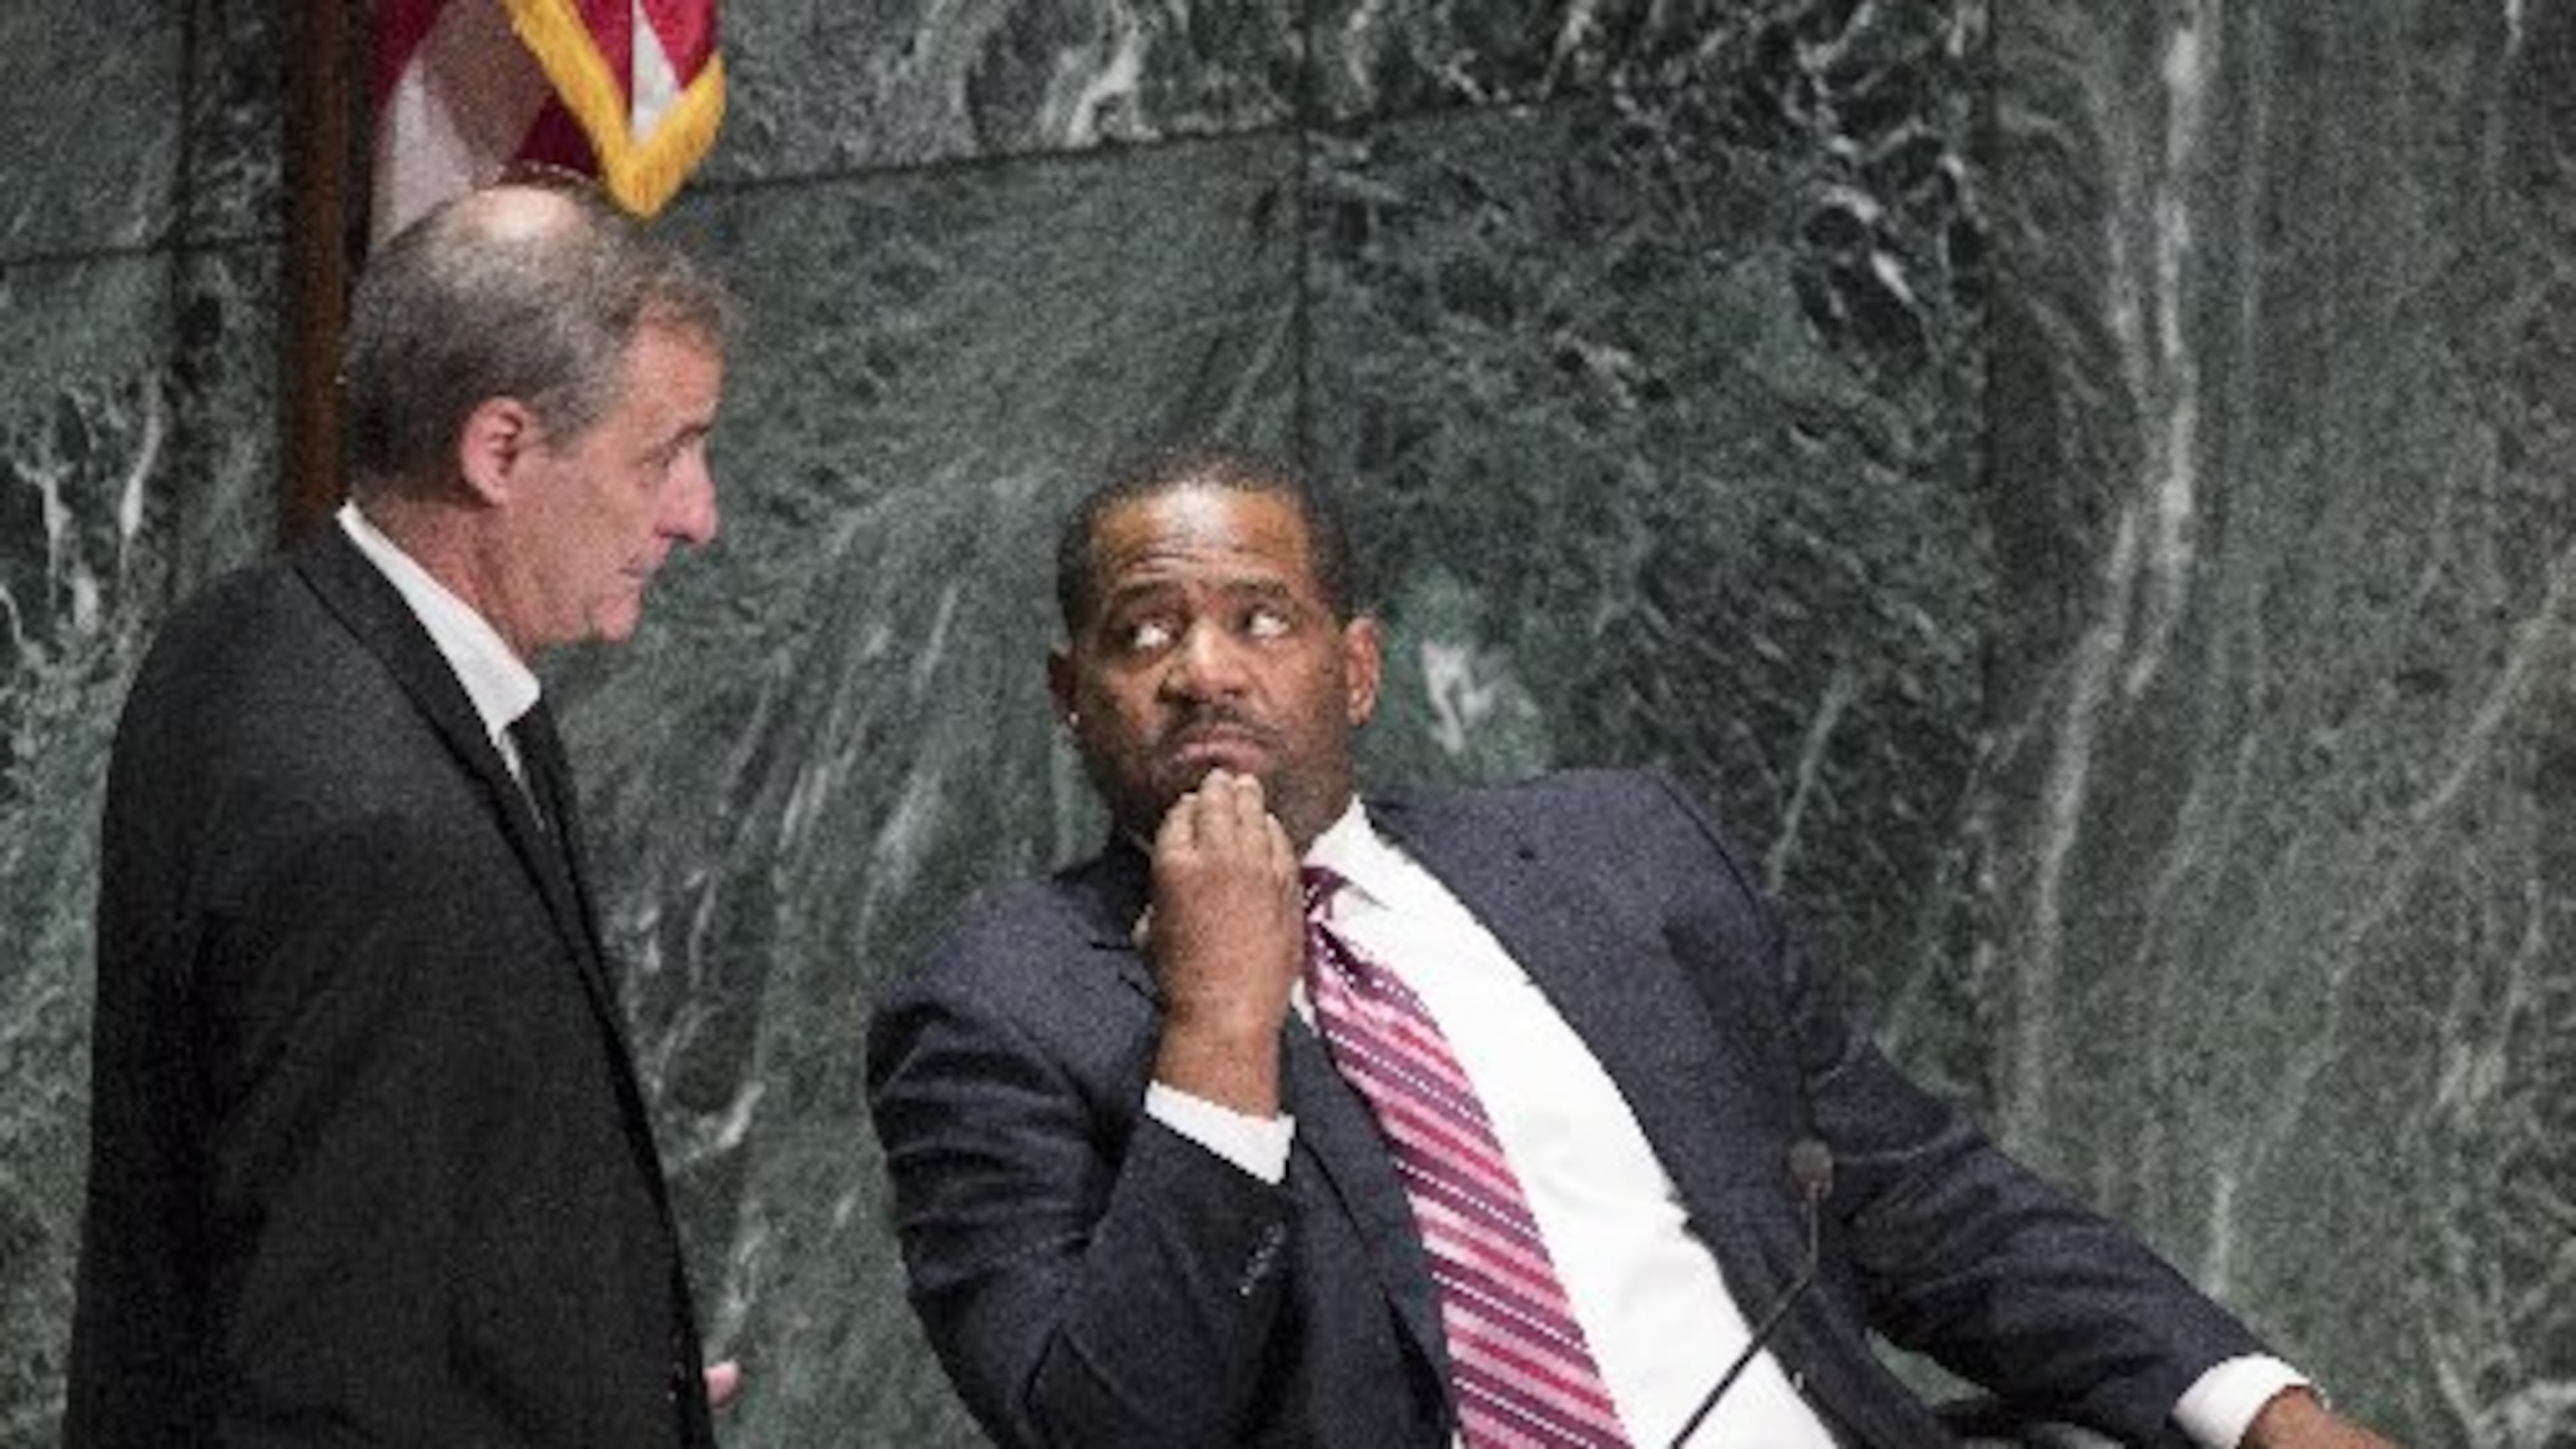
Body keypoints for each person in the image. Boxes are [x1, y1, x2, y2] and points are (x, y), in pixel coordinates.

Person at [865, 447, 2405, 1448]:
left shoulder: (1616, 857)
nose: (1203, 670)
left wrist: (2258, 1407)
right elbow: (1111, 1433)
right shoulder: (999, 1010)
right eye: (1145, 634)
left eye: (1260, 621)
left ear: (1359, 670)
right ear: (1074, 697)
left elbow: (1918, 1201)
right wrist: (1215, 1043)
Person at [66, 179, 741, 1444]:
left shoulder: (246, 638)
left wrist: (590, 1379)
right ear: (499, 450)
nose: (695, 515)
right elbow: (327, 1376)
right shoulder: (378, 822)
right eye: (664, 454)